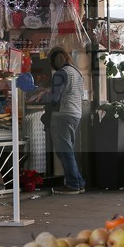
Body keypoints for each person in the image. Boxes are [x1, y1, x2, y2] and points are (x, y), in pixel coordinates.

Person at [40, 46, 86, 194]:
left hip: (62, 115)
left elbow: (55, 97)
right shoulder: (76, 72)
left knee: (64, 151)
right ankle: (79, 182)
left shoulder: (61, 73)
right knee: (68, 149)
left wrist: (41, 95)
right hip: (75, 113)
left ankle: (72, 184)